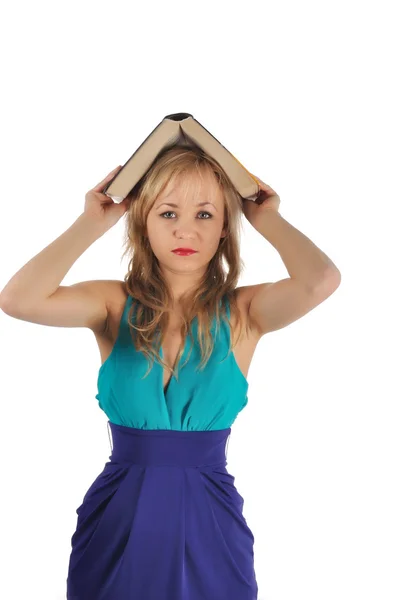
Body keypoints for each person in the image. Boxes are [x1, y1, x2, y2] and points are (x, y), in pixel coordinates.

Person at [0, 145, 341, 599]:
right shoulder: (112, 304)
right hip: (117, 520)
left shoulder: (245, 313)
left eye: (204, 215)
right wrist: (92, 223)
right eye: (167, 213)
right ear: (143, 222)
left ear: (224, 228)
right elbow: (18, 300)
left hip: (210, 523)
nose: (185, 229)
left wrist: (267, 219)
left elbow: (321, 280)